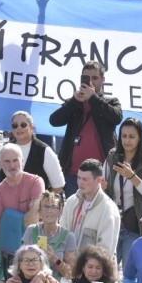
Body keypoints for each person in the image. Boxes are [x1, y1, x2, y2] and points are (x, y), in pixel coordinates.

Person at [49, 60, 123, 195]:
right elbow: (54, 121)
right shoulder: (74, 103)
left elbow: (116, 117)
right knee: (76, 214)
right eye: (87, 78)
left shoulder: (110, 102)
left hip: (101, 174)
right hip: (73, 174)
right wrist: (73, 102)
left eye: (95, 78)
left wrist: (93, 98)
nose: (91, 82)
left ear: (103, 80)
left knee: (100, 214)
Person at [102, 117, 142, 264]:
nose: (127, 141)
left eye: (132, 137)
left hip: (134, 225)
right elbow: (102, 184)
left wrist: (132, 176)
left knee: (129, 273)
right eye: (124, 136)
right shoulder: (112, 156)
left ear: (140, 138)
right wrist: (101, 187)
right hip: (112, 223)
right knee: (107, 271)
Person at [0, 144, 44, 273]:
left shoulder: (36, 181)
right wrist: (24, 216)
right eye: (7, 161)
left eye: (15, 160)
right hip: (11, 254)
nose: (12, 165)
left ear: (22, 161)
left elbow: (33, 219)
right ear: (0, 164)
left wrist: (9, 219)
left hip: (37, 248)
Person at [60, 158, 120, 254]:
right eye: (78, 178)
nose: (80, 183)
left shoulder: (108, 209)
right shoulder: (71, 201)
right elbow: (61, 234)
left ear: (99, 180)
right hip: (69, 264)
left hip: (93, 267)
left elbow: (105, 250)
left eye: (85, 179)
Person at [21, 191, 76, 280]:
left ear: (60, 212)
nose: (49, 211)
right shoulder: (31, 231)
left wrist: (55, 259)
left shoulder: (68, 237)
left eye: (54, 207)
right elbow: (21, 262)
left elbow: (70, 274)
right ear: (39, 211)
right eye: (46, 207)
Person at [8, 111, 65, 191]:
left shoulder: (45, 151)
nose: (19, 128)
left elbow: (58, 185)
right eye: (15, 125)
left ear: (31, 127)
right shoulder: (4, 150)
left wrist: (43, 200)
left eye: (23, 125)